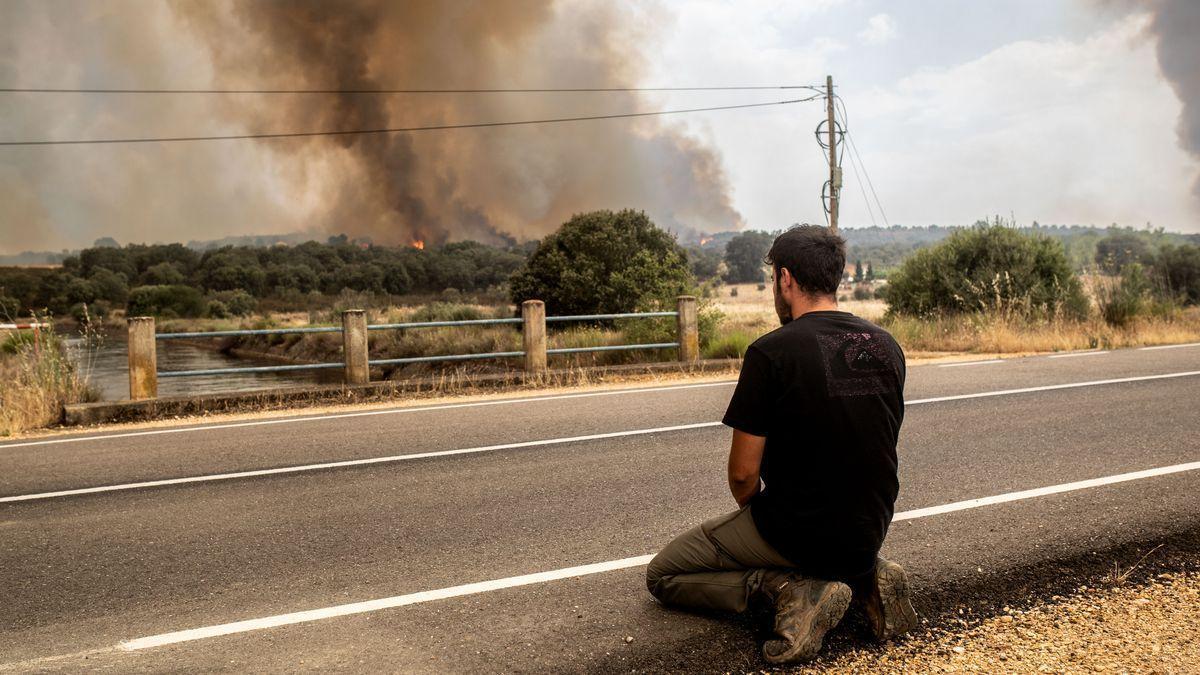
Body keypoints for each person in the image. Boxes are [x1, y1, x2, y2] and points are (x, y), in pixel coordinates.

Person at [646, 225, 917, 664]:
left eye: (775, 279)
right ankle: (864, 575)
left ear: (785, 279)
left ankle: (788, 590)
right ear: (836, 277)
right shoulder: (887, 346)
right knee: (822, 533)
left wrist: (761, 520)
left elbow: (742, 476)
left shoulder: (771, 353)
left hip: (798, 531)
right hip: (871, 527)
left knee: (664, 573)